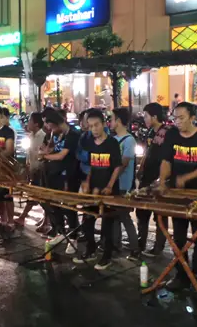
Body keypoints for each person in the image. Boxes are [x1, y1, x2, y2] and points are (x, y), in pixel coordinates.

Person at [158, 102, 197, 290]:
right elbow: (166, 160)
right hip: (177, 193)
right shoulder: (172, 134)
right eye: (175, 118)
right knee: (179, 235)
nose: (177, 122)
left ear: (192, 117)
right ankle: (181, 274)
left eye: (181, 118)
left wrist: (186, 177)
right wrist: (162, 182)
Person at [76, 110, 122, 268]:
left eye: (96, 125)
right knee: (87, 220)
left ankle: (107, 256)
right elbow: (91, 166)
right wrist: (87, 182)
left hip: (109, 190)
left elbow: (117, 167)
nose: (94, 129)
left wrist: (109, 186)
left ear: (104, 124)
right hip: (93, 188)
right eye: (90, 126)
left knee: (107, 225)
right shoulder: (89, 143)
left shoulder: (112, 143)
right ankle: (91, 250)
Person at [40, 111, 80, 247]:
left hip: (69, 175)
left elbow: (62, 155)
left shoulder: (73, 135)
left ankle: (73, 237)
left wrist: (45, 157)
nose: (49, 129)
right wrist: (46, 151)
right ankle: (60, 232)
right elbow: (52, 150)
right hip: (54, 174)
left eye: (50, 126)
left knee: (69, 206)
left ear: (57, 123)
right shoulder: (57, 134)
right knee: (54, 204)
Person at [137, 103, 171, 257]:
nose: (144, 118)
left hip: (159, 179)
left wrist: (162, 179)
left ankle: (158, 247)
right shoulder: (151, 131)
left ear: (155, 117)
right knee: (142, 211)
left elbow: (167, 159)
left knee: (159, 214)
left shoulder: (167, 133)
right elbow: (147, 151)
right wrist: (141, 167)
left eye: (146, 115)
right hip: (146, 176)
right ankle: (140, 243)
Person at [109, 107, 140, 261]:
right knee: (114, 216)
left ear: (119, 121)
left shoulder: (129, 140)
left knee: (124, 216)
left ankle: (135, 248)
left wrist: (111, 179)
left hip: (124, 185)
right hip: (115, 185)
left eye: (112, 119)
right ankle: (116, 245)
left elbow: (124, 163)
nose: (110, 122)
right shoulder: (113, 139)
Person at [15, 112, 47, 228]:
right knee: (36, 196)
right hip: (33, 170)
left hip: (40, 171)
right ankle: (45, 220)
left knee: (38, 196)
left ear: (36, 124)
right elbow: (30, 154)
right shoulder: (31, 136)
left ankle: (23, 217)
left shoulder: (43, 136)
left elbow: (42, 154)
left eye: (30, 121)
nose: (27, 123)